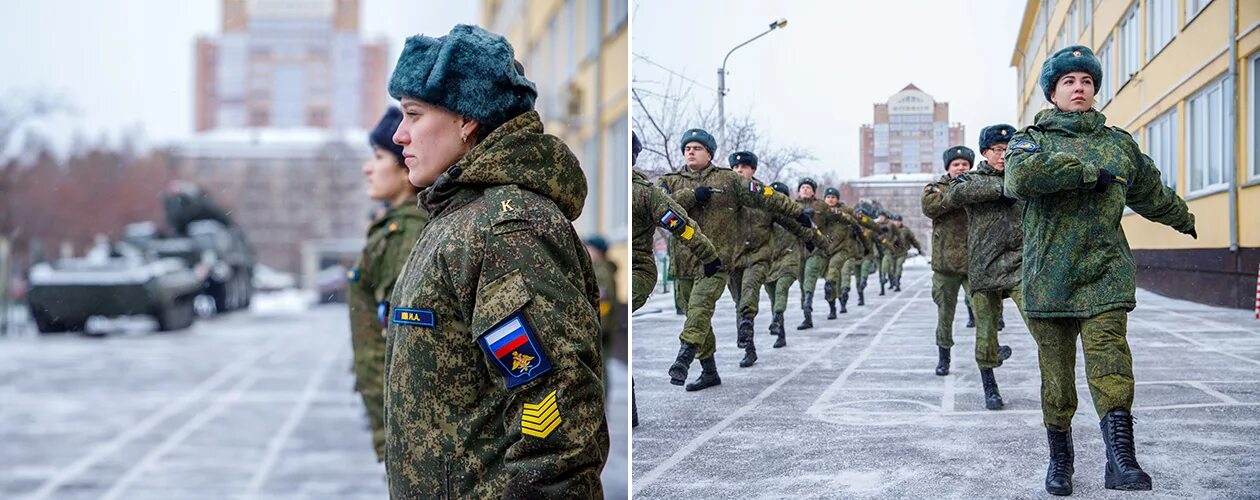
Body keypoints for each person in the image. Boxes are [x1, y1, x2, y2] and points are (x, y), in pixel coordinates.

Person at [383, 24, 607, 497]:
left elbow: (555, 413)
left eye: (413, 114)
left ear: (467, 120)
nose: (400, 135)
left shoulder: (507, 228)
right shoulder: (455, 220)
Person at [1006, 45, 1196, 495]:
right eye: (1069, 81)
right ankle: (1060, 462)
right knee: (1057, 381)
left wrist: (1183, 218)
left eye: (1087, 82)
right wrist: (1089, 173)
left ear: (1095, 90)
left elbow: (1150, 191)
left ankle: (1122, 459)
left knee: (1112, 365)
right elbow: (1020, 179)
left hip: (1105, 273)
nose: (1079, 88)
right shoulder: (1029, 139)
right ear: (1053, 92)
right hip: (1048, 281)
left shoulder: (1118, 143)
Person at [658, 128, 815, 391]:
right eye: (687, 148)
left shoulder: (728, 180)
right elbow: (659, 207)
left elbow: (766, 195)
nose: (691, 152)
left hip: (716, 262)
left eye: (697, 148)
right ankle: (709, 370)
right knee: (695, 316)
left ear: (709, 153)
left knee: (700, 308)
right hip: (683, 262)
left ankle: (684, 355)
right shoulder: (670, 181)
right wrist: (692, 196)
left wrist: (797, 212)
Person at [347, 107, 428, 461]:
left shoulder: (405, 232)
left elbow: (402, 338)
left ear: (404, 168)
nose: (368, 167)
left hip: (405, 421)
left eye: (378, 157)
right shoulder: (393, 227)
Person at [945, 125, 1023, 411]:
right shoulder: (972, 178)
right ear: (985, 152)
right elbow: (955, 192)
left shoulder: (1024, 176)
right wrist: (1001, 188)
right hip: (984, 266)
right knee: (986, 330)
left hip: (1020, 266)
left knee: (1041, 323)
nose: (1004, 155)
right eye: (998, 150)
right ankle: (990, 384)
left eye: (1009, 149)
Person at [727, 151, 814, 366]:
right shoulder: (723, 193)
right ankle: (749, 348)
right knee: (739, 302)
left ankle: (772, 321)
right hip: (732, 258)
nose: (739, 170)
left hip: (758, 256)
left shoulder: (762, 193)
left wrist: (808, 232)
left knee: (749, 296)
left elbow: (783, 212)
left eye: (744, 167)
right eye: (736, 168)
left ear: (753, 170)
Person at [922, 147, 976, 378]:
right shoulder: (935, 188)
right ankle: (944, 356)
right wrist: (958, 193)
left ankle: (989, 351)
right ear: (948, 168)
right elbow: (930, 207)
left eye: (965, 164)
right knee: (945, 314)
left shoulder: (977, 183)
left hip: (974, 261)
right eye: (956, 164)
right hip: (946, 265)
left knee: (983, 311)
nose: (961, 168)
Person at [764, 181, 802, 347]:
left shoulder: (793, 213)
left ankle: (778, 316)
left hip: (789, 257)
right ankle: (781, 333)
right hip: (770, 261)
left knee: (781, 289)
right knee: (773, 297)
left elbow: (807, 228)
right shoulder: (763, 214)